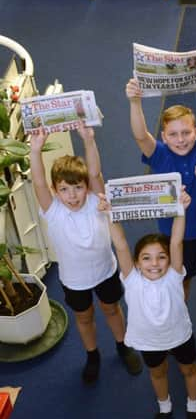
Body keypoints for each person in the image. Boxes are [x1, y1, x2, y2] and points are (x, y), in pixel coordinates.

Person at [29, 124, 142, 384]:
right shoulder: (53, 210)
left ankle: (123, 345)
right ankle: (92, 354)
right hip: (74, 280)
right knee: (84, 316)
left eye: (78, 187)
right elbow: (37, 182)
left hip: (106, 270)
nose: (72, 195)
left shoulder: (95, 201)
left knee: (112, 309)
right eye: (65, 190)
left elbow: (95, 172)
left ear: (87, 187)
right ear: (55, 191)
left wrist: (89, 140)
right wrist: (35, 150)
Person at [101, 191, 196, 419]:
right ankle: (164, 406)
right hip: (149, 340)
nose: (154, 263)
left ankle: (193, 404)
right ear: (136, 263)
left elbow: (176, 241)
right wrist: (110, 215)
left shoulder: (174, 276)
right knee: (157, 372)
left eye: (161, 257)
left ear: (170, 260)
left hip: (179, 335)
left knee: (189, 369)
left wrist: (180, 211)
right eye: (146, 258)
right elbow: (121, 245)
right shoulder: (132, 279)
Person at [125, 72, 196, 299]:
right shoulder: (159, 154)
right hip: (175, 236)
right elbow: (140, 136)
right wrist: (135, 101)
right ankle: (181, 321)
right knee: (180, 282)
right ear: (163, 137)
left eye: (186, 133)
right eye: (173, 134)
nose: (181, 139)